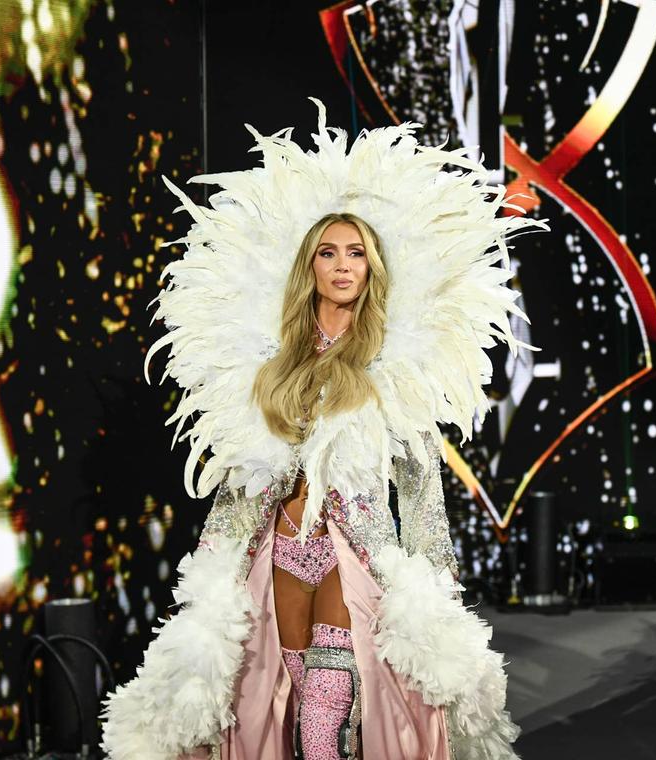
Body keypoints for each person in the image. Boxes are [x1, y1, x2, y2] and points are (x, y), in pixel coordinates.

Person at [101, 99, 548, 760]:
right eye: (329, 253)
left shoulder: (395, 362)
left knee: (323, 720)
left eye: (357, 254)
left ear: (373, 269)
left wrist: (438, 590)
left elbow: (422, 487)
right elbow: (236, 491)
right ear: (309, 267)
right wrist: (212, 577)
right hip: (276, 550)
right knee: (273, 706)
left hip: (354, 552)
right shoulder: (270, 367)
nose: (343, 265)